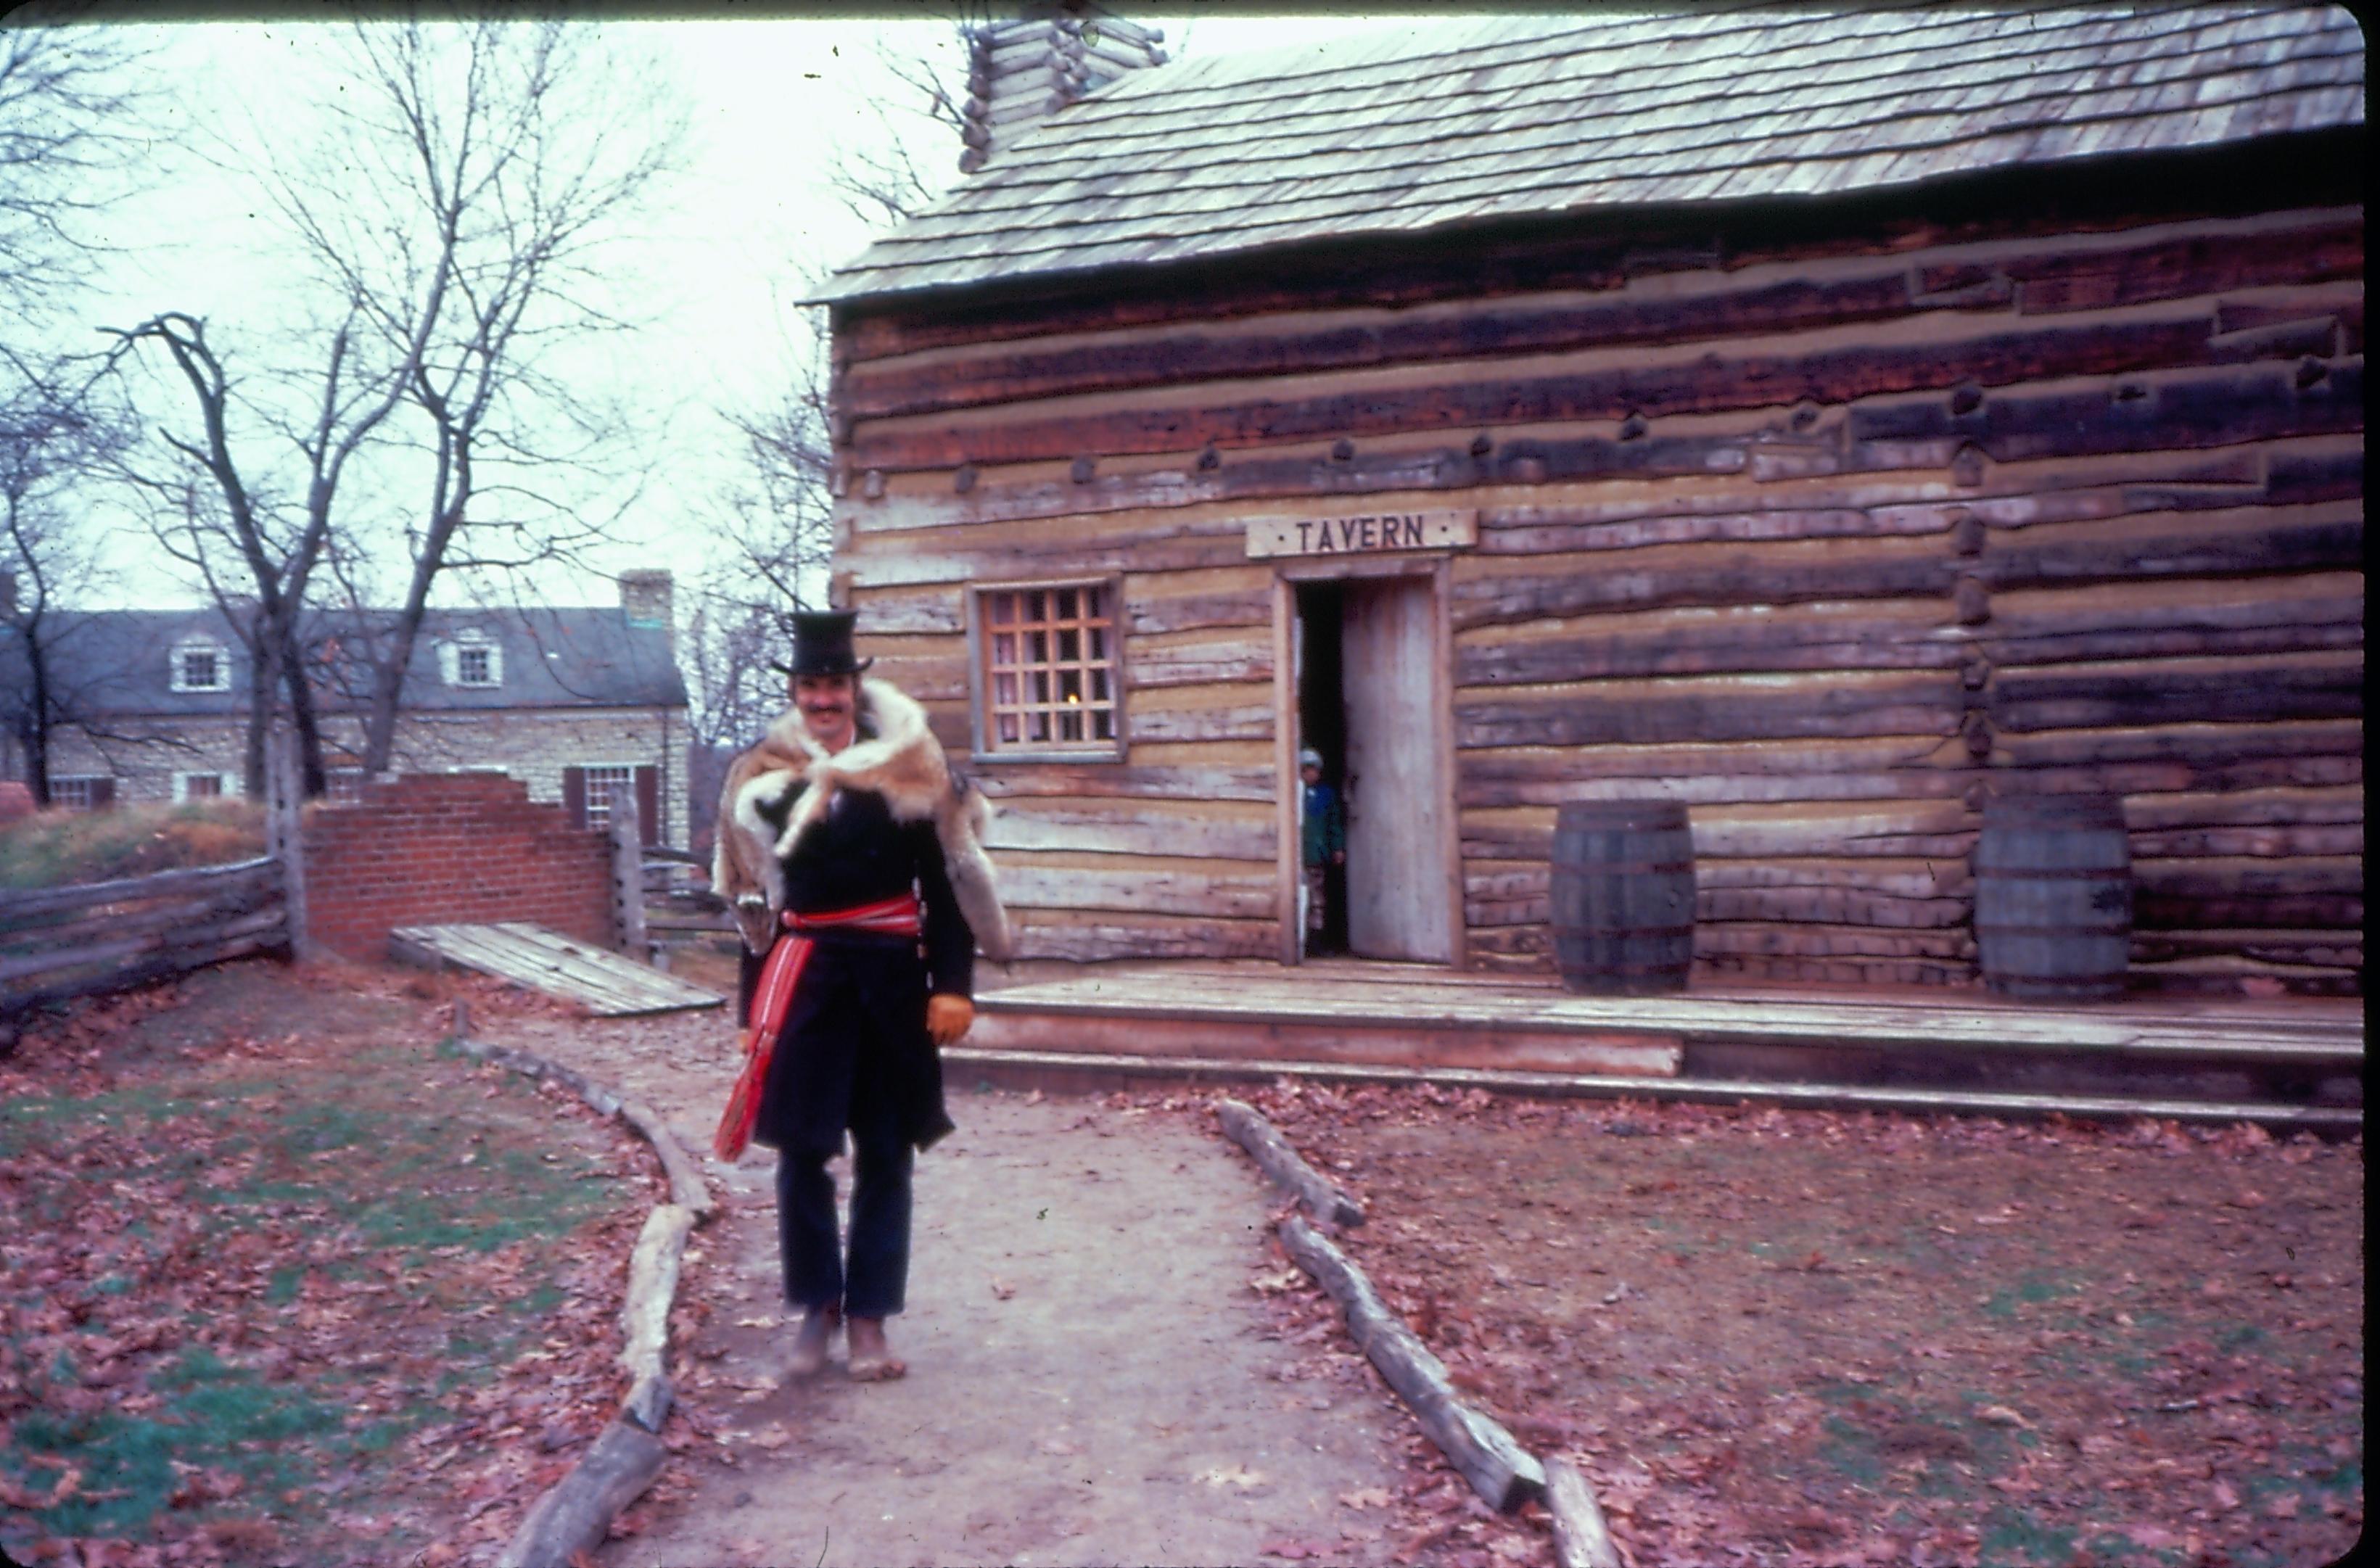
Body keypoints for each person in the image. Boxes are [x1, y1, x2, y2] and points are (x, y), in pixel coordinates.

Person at [711, 609, 1009, 1382]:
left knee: (884, 1152)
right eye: (810, 686)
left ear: (854, 688)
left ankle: (871, 1318)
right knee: (802, 1154)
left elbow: (944, 885)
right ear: (796, 692)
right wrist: (753, 1014)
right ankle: (817, 1308)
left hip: (887, 985)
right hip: (802, 982)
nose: (823, 700)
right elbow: (755, 905)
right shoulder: (762, 779)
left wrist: (952, 986)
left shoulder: (908, 771)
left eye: (835, 685)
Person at [1299, 747, 1345, 954]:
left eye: (1314, 770)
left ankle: (1316, 941)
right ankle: (1299, 939)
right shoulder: (1295, 793)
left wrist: (1337, 847)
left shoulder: (1325, 795)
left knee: (1316, 899)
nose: (1310, 774)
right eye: (1306, 770)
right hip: (1298, 856)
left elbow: (1334, 823)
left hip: (1315, 855)